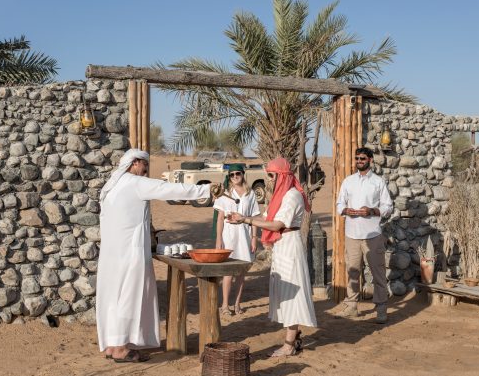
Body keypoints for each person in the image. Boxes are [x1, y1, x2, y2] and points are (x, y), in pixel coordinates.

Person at [96, 148, 218, 363]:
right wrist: (205, 189)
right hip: (130, 253)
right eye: (144, 165)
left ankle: (112, 345)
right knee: (128, 297)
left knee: (114, 298)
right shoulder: (134, 183)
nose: (146, 170)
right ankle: (121, 349)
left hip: (111, 254)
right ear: (135, 162)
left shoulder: (112, 185)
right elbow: (168, 189)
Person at [229, 158, 316, 357]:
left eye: (271, 175)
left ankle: (289, 345)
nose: (269, 179)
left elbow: (277, 225)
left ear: (281, 175)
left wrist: (247, 220)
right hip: (281, 246)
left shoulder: (292, 196)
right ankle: (294, 338)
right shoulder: (281, 195)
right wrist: (240, 219)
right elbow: (265, 218)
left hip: (290, 246)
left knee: (292, 293)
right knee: (284, 292)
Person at [336, 147, 393, 323]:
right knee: (352, 272)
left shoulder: (378, 182)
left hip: (373, 234)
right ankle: (352, 307)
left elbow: (388, 207)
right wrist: (346, 210)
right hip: (352, 234)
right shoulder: (348, 181)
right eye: (357, 158)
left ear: (370, 160)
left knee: (378, 273)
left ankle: (381, 309)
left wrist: (372, 211)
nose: (359, 161)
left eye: (362, 158)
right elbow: (339, 204)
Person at [213, 164, 260, 316]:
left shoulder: (250, 194)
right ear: (229, 177)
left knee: (241, 272)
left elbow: (254, 218)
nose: (235, 177)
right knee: (228, 272)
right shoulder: (224, 194)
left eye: (237, 173)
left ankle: (237, 304)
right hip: (228, 236)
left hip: (244, 236)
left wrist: (254, 238)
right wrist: (218, 239)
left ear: (242, 174)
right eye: (231, 174)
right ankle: (225, 305)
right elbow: (220, 218)